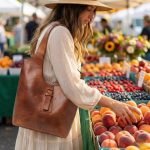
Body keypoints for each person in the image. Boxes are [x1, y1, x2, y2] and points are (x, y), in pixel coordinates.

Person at [15, 1, 142, 150]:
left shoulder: (52, 28)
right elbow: (72, 86)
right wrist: (113, 104)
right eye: (88, 9)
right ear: (73, 8)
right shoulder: (60, 33)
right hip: (52, 119)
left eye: (93, 10)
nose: (91, 16)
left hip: (44, 115)